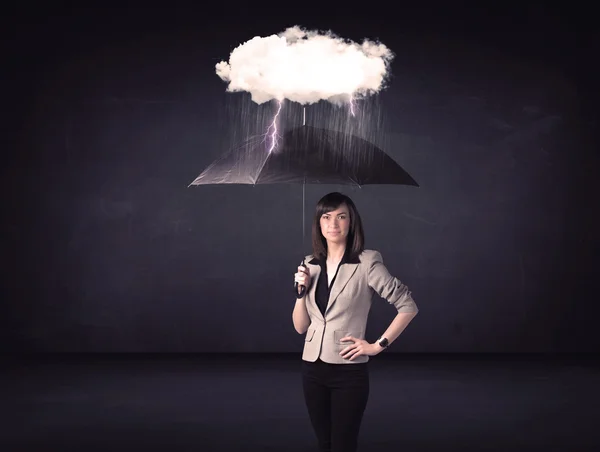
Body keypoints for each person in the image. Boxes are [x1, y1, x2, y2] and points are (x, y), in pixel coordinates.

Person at [292, 191, 419, 452]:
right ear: (318, 223)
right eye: (326, 217)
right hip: (312, 369)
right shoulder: (309, 264)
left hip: (348, 371)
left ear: (352, 222)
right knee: (324, 443)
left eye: (341, 217)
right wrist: (300, 293)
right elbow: (300, 327)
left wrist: (377, 345)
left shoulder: (367, 261)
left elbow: (408, 306)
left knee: (343, 445)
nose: (333, 224)